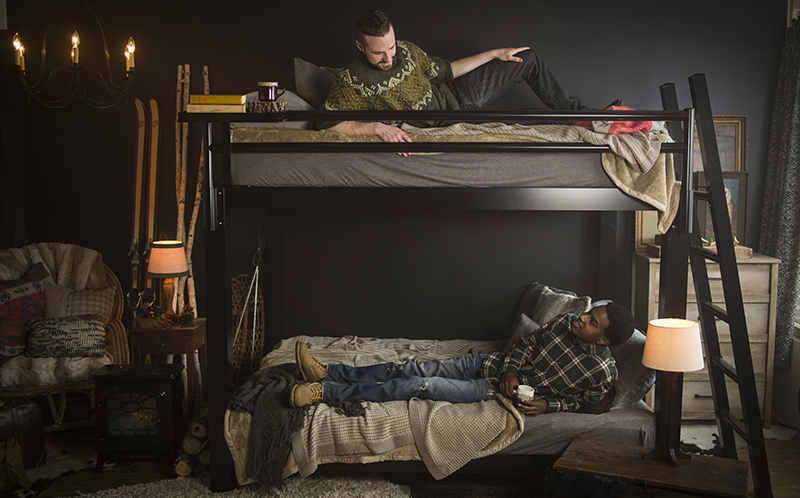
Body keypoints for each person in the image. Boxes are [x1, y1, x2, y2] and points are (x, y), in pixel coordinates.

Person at [318, 9, 619, 144]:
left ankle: (589, 117)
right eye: (378, 54)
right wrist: (378, 129)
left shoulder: (407, 51)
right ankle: (580, 128)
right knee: (524, 122)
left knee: (527, 59)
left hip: (458, 94)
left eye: (391, 47)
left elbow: (447, 70)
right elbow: (327, 124)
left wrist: (493, 54)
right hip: (449, 123)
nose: (389, 58)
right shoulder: (351, 80)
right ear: (360, 46)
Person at [290, 302, 635, 416]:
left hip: (490, 393)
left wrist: (548, 405)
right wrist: (512, 367)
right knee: (409, 365)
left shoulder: (601, 372)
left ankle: (326, 393)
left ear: (603, 339)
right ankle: (329, 371)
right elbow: (527, 345)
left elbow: (582, 402)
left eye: (592, 322)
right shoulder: (565, 321)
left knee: (417, 383)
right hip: (488, 365)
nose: (583, 318)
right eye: (589, 312)